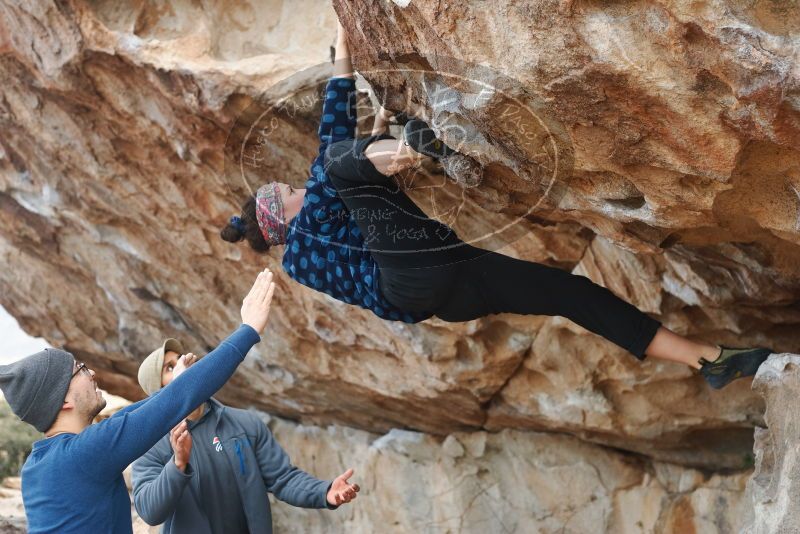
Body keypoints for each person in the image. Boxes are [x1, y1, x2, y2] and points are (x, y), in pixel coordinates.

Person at [220, 19, 771, 390]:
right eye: (286, 192)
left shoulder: (323, 222)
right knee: (340, 160)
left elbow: (348, 180)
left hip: (448, 278)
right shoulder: (301, 250)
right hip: (410, 281)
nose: (295, 187)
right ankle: (417, 147)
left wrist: (365, 103)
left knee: (569, 292)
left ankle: (709, 360)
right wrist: (342, 59)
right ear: (281, 215)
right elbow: (332, 146)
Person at [0, 269, 276, 533]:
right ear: (62, 402)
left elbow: (141, 412)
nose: (92, 373)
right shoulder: (86, 453)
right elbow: (174, 403)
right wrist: (249, 329)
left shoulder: (36, 467)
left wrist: (176, 385)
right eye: (80, 370)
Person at [131, 338, 359, 534]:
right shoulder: (149, 444)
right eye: (170, 367)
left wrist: (324, 492)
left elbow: (283, 478)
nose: (183, 366)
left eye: (182, 359)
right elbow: (150, 510)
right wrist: (178, 464)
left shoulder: (245, 423)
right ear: (158, 392)